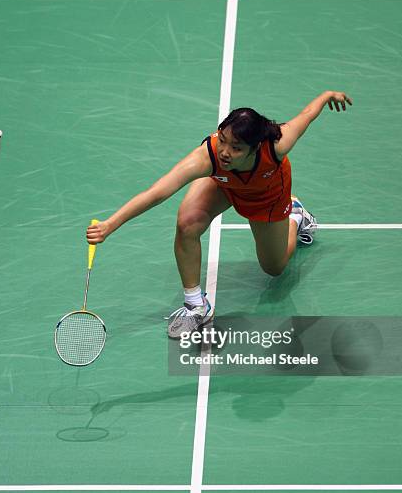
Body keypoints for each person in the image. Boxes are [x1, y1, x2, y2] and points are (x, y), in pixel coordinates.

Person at [86, 90, 352, 338]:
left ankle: (295, 216)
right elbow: (158, 191)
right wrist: (111, 224)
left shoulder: (277, 145)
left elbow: (306, 115)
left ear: (255, 147)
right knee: (187, 223)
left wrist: (326, 97)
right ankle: (195, 306)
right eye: (222, 140)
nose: (225, 151)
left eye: (236, 147)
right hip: (224, 183)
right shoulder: (209, 157)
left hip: (266, 197)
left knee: (275, 268)